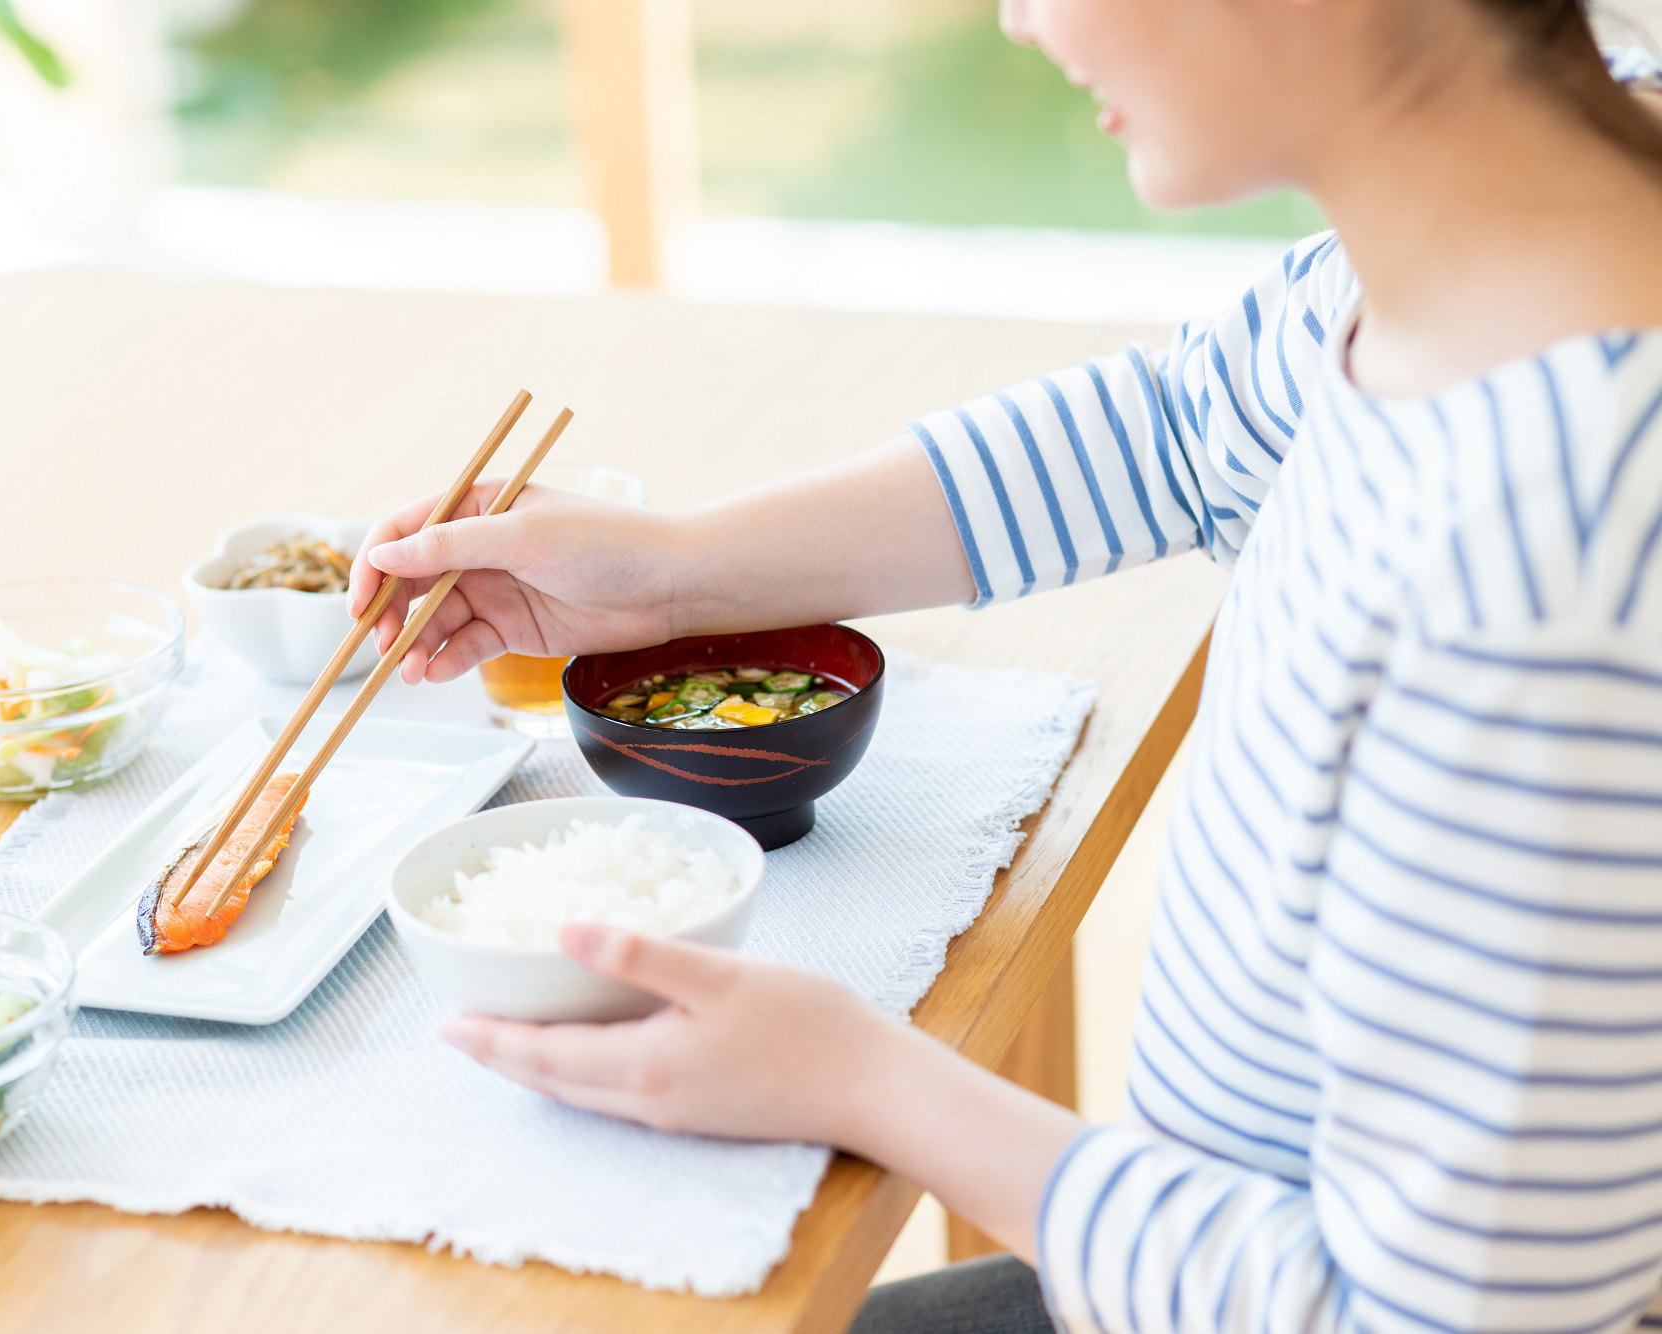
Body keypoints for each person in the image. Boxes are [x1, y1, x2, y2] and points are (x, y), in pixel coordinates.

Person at [347, 0, 1662, 1326]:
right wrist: (671, 569)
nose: (1017, 18)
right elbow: (1173, 433)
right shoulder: (1510, 208)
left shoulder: (1555, 557)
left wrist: (864, 1080)